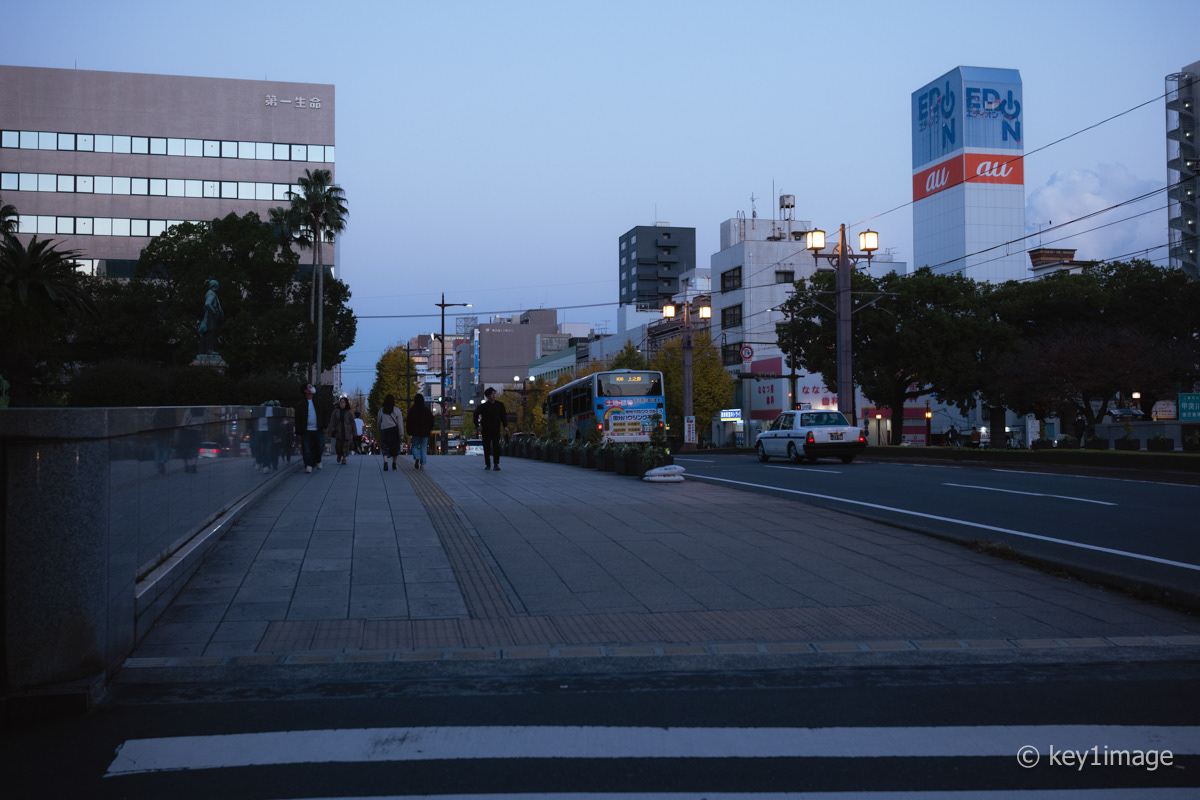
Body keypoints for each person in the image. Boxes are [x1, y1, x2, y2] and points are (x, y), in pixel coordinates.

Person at [294, 382, 329, 474]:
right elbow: (297, 419)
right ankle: (308, 465)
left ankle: (318, 460)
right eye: (310, 387)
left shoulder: (319, 401)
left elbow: (325, 413)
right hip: (306, 430)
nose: (312, 388)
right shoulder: (301, 404)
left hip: (318, 429)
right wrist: (298, 432)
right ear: (306, 391)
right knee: (307, 449)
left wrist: (324, 426)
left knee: (320, 446)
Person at [478, 386, 509, 471]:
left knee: (496, 446)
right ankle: (488, 464)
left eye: (494, 393)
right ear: (488, 396)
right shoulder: (483, 406)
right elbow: (476, 415)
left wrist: (505, 426)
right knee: (486, 447)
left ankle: (496, 464)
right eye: (492, 394)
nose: (494, 395)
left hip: (496, 429)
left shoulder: (500, 405)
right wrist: (478, 425)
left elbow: (503, 416)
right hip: (486, 429)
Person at [406, 394, 434, 470]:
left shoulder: (412, 410)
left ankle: (416, 456)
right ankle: (422, 465)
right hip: (425, 432)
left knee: (414, 446)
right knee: (423, 448)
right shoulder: (427, 411)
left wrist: (408, 430)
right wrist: (429, 429)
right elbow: (431, 421)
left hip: (415, 432)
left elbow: (409, 422)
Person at [377, 393, 404, 472]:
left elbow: (379, 421)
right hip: (394, 430)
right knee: (395, 447)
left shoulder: (381, 410)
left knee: (384, 446)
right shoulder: (396, 410)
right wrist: (401, 433)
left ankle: (385, 462)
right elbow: (400, 423)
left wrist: (379, 429)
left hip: (384, 430)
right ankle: (394, 463)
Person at [327, 396, 357, 465]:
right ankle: (339, 454)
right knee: (338, 446)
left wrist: (354, 433)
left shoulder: (349, 412)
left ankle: (344, 458)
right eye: (341, 402)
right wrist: (330, 431)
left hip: (347, 431)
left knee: (346, 446)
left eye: (343, 402)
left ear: (346, 403)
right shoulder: (336, 411)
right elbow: (332, 421)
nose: (342, 403)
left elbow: (352, 423)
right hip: (338, 431)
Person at [197, 279, 223, 355]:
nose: (218, 286)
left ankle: (203, 350)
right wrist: (214, 312)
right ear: (214, 286)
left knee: (207, 332)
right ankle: (209, 350)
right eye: (217, 285)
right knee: (210, 332)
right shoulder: (211, 294)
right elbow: (207, 304)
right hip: (211, 316)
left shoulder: (210, 293)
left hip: (210, 315)